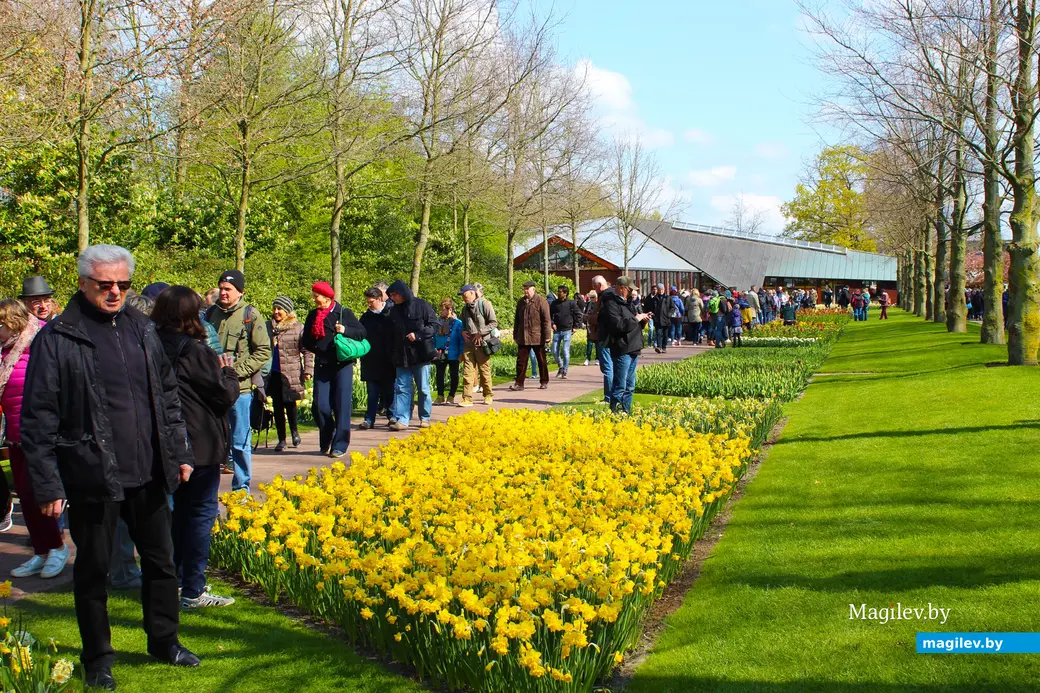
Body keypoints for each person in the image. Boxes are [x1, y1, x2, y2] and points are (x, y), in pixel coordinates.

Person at [22, 245, 200, 690]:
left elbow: (167, 397)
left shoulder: (143, 328)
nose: (116, 291)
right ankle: (98, 658)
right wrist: (47, 484)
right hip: (91, 475)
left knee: (162, 564)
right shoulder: (59, 337)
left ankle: (164, 641)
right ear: (83, 283)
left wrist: (178, 452)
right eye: (105, 284)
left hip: (148, 472)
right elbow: (38, 417)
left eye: (123, 283)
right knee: (93, 573)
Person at [152, 286, 239, 609]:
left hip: (165, 441)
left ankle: (174, 580)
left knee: (175, 514)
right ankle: (193, 588)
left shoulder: (150, 345)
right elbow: (223, 394)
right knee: (200, 514)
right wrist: (228, 371)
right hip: (198, 441)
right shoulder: (195, 351)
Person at [0, 301, 68, 578]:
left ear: (13, 322)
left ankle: (59, 547)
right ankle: (41, 551)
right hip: (15, 435)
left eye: (1, 323)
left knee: (45, 496)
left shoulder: (36, 345)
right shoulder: (4, 353)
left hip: (38, 435)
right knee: (26, 497)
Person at [205, 270, 271, 491]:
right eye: (221, 288)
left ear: (240, 292)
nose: (222, 293)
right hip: (212, 388)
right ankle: (209, 489)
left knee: (240, 441)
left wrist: (235, 371)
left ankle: (241, 488)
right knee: (212, 442)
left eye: (228, 289)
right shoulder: (210, 314)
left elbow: (263, 352)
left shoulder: (251, 316)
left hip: (239, 389)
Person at [301, 281, 366, 455]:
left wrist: (345, 330)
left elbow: (361, 333)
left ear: (327, 297)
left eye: (317, 296)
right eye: (314, 295)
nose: (314, 299)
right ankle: (328, 435)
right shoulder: (312, 315)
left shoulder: (343, 313)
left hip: (342, 365)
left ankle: (340, 445)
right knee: (319, 406)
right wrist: (318, 347)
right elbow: (306, 340)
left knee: (341, 406)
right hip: (322, 364)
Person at [385, 280, 437, 430]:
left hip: (421, 354)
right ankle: (402, 420)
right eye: (391, 295)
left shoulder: (422, 305)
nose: (392, 298)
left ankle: (425, 417)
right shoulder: (393, 311)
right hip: (401, 356)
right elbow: (389, 335)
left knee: (423, 389)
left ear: (402, 293)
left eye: (394, 295)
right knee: (402, 388)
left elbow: (434, 325)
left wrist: (419, 335)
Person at [267, 296, 312, 451]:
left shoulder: (298, 327)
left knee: (290, 403)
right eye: (274, 308)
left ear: (287, 310)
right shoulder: (268, 327)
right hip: (273, 373)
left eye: (279, 309)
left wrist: (308, 370)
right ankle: (281, 439)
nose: (276, 312)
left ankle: (294, 431)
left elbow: (306, 350)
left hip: (291, 372)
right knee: (277, 406)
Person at [600, 277, 649, 414]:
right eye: (630, 289)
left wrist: (642, 320)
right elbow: (618, 325)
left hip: (633, 346)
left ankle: (625, 412)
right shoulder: (611, 304)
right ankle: (614, 413)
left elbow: (632, 323)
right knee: (620, 385)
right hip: (622, 348)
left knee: (630, 386)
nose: (632, 292)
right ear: (622, 288)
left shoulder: (628, 303)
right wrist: (636, 319)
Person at [358, 287, 395, 428]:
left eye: (371, 301)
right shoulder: (365, 318)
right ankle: (369, 419)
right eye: (367, 302)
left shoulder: (391, 314)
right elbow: (360, 336)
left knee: (389, 390)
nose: (368, 304)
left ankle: (392, 416)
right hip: (371, 360)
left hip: (388, 360)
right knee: (372, 392)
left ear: (380, 299)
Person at [457, 284, 497, 407]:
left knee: (484, 370)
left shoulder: (484, 304)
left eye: (465, 295)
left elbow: (493, 322)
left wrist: (481, 333)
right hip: (468, 344)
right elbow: (463, 324)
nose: (464, 298)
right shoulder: (464, 309)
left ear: (472, 293)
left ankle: (488, 395)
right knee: (467, 372)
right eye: (462, 296)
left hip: (482, 343)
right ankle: (467, 399)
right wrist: (463, 331)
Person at [510, 280, 551, 391]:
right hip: (523, 337)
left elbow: (547, 320)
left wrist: (547, 336)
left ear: (533, 289)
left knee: (541, 360)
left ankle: (544, 381)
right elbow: (517, 321)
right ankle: (519, 384)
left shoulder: (541, 301)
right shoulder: (521, 302)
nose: (526, 291)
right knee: (521, 361)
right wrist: (515, 335)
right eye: (524, 289)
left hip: (538, 336)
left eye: (528, 289)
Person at [433, 298, 463, 405]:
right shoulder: (437, 322)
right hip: (440, 353)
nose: (441, 312)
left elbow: (461, 339)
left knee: (454, 374)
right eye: (440, 310)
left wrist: (461, 353)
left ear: (450, 309)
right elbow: (433, 337)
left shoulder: (458, 323)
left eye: (443, 310)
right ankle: (440, 395)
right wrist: (434, 348)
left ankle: (451, 396)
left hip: (453, 353)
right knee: (439, 374)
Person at [549, 285, 582, 379]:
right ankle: (561, 365)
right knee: (554, 350)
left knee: (565, 350)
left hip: (567, 330)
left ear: (565, 293)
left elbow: (579, 314)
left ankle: (565, 370)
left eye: (560, 291)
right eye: (558, 291)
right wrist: (552, 323)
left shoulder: (571, 303)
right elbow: (550, 315)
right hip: (557, 330)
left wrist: (575, 326)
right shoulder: (554, 304)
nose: (558, 293)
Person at [590, 276, 614, 404]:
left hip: (604, 336)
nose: (593, 289)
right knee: (611, 366)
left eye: (594, 286)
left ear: (599, 285)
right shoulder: (612, 294)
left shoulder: (606, 297)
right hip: (609, 336)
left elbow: (602, 318)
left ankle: (609, 397)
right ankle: (612, 395)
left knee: (608, 367)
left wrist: (590, 318)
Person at [583, 290, 600, 365]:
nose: (592, 299)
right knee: (589, 343)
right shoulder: (588, 304)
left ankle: (597, 359)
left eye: (593, 297)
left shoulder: (599, 304)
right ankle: (588, 358)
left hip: (597, 326)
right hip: (590, 326)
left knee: (597, 344)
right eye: (591, 297)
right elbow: (585, 314)